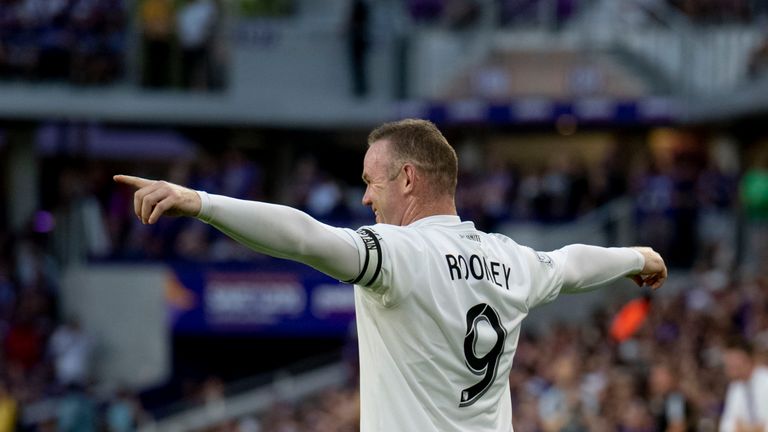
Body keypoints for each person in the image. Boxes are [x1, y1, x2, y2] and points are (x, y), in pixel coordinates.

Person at [114, 119, 667, 431]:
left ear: (407, 178)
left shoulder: (400, 254)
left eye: (370, 181)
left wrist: (203, 203)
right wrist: (636, 256)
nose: (364, 196)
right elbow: (571, 265)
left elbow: (305, 237)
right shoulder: (510, 258)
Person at [719, 337, 768, 432]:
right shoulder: (735, 387)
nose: (728, 364)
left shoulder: (766, 380)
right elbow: (726, 425)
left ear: (747, 359)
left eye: (732, 359)